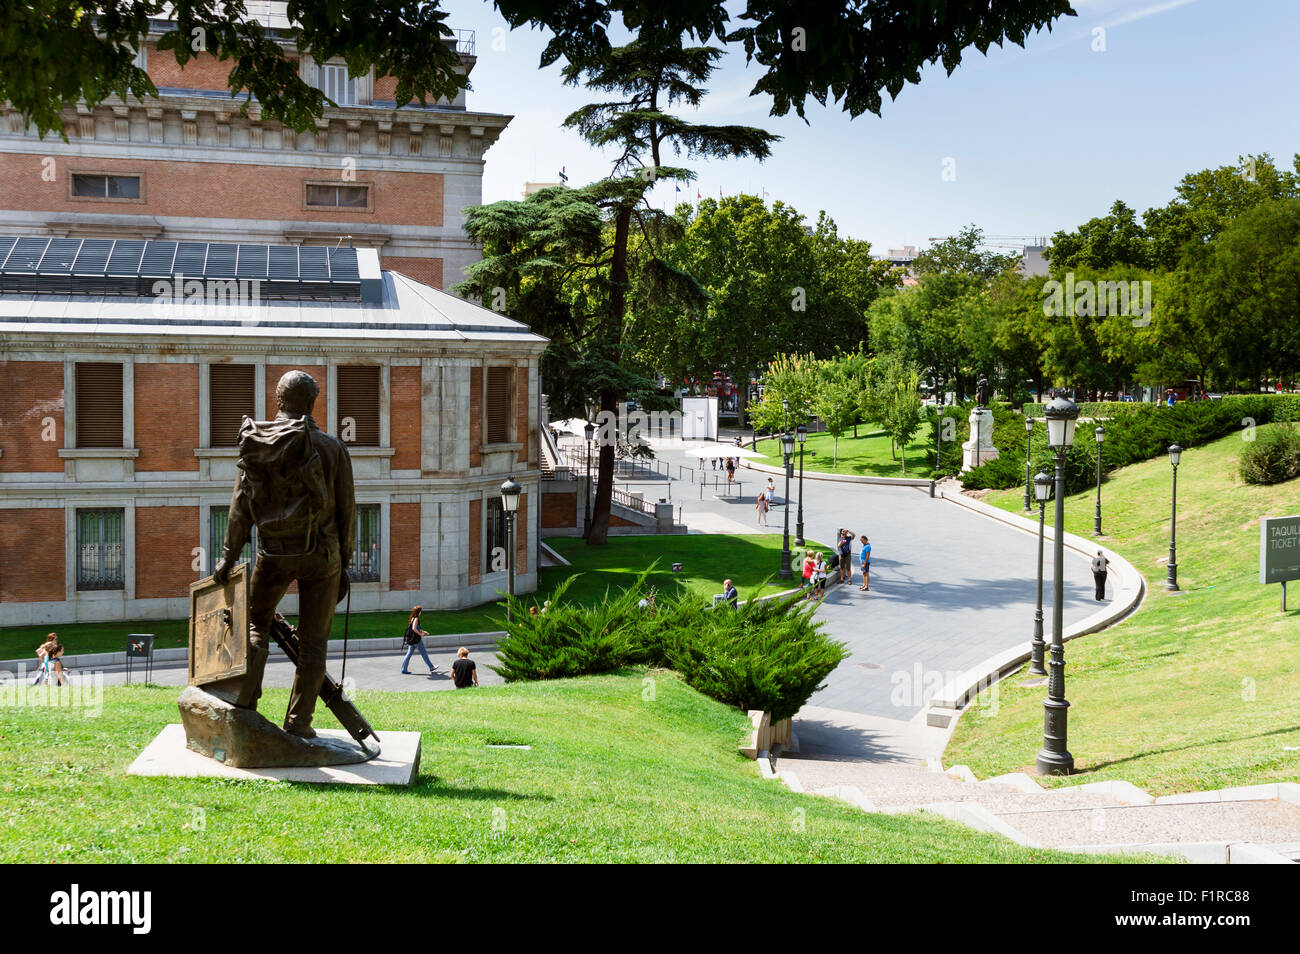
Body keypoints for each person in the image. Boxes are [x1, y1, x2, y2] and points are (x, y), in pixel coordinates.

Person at [213, 369, 355, 739]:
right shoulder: (332, 448)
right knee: (313, 642)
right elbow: (347, 513)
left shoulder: (255, 442)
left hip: (273, 553)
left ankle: (244, 704)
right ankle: (299, 724)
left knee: (255, 624)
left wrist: (228, 556)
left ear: (278, 403)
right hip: (322, 556)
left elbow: (239, 507)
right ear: (310, 404)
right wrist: (346, 564)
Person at [400, 606, 440, 675]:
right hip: (416, 640)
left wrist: (423, 631)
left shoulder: (412, 618)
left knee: (408, 654)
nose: (421, 612)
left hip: (411, 640)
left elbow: (416, 628)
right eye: (421, 611)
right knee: (424, 653)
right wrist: (420, 634)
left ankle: (404, 669)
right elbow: (414, 628)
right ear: (419, 612)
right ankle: (431, 667)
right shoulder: (416, 619)